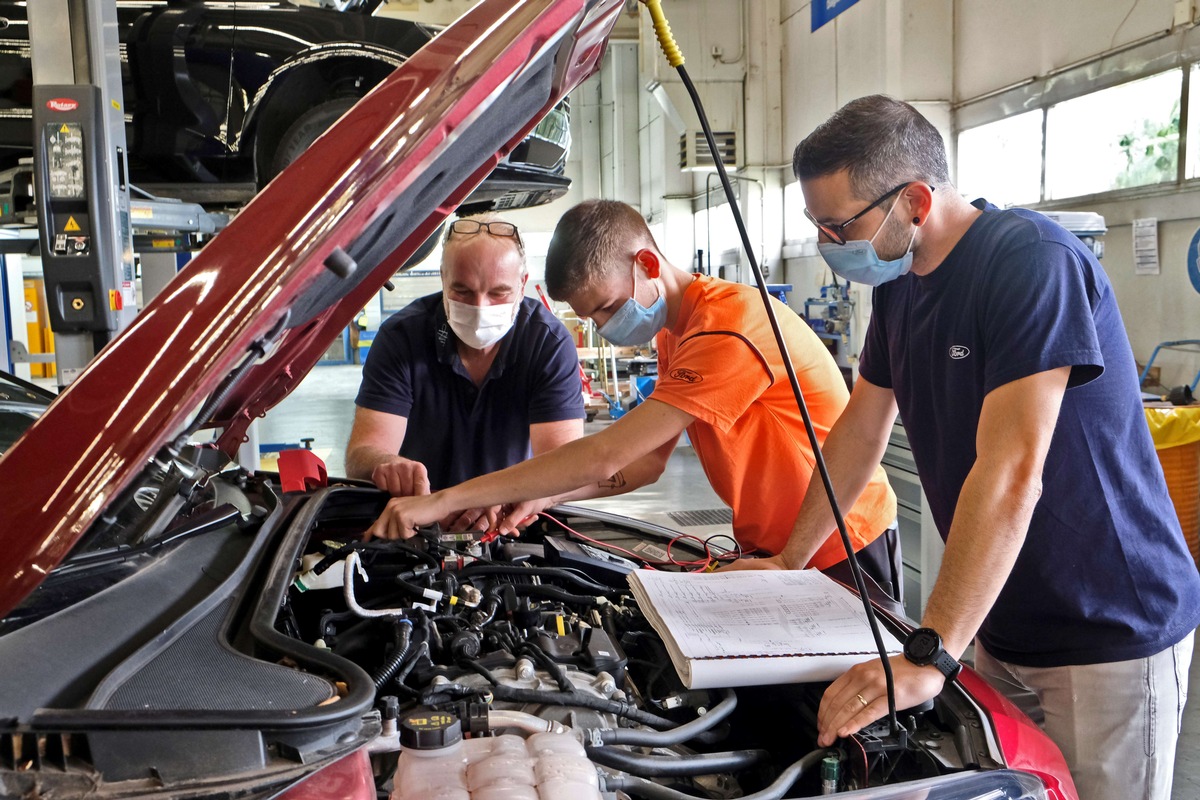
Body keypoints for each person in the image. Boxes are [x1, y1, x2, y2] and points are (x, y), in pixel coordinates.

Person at [764, 94, 1199, 800]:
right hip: (998, 623)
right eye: (815, 225)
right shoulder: (902, 290)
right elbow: (860, 430)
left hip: (1105, 628)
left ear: (913, 200)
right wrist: (788, 561)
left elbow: (1011, 470)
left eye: (838, 225)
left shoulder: (1030, 262)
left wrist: (930, 651)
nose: (826, 243)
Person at [364, 199, 901, 598]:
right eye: (590, 316)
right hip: (779, 549)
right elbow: (646, 464)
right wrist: (544, 497)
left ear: (647, 263)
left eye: (606, 306)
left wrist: (443, 500)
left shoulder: (729, 328)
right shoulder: (677, 332)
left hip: (839, 544)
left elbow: (608, 455)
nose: (603, 325)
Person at [345, 213, 584, 531]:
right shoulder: (401, 338)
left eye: (498, 292)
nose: (481, 308)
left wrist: (515, 498)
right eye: (462, 291)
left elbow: (565, 466)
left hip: (508, 523)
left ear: (522, 283)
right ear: (443, 279)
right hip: (417, 525)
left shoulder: (547, 343)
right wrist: (384, 464)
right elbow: (362, 454)